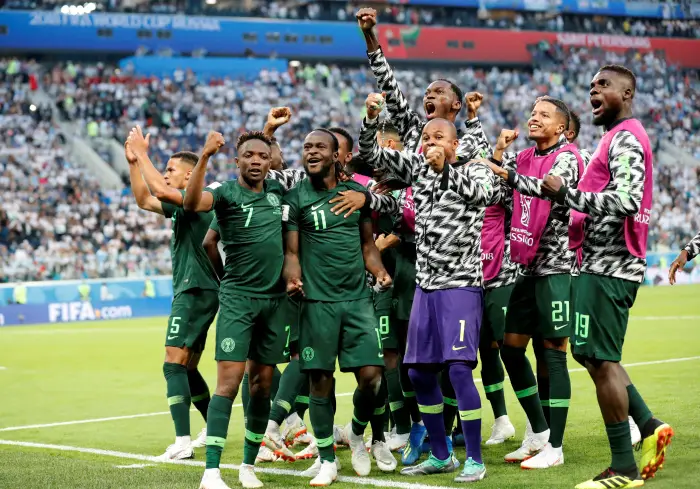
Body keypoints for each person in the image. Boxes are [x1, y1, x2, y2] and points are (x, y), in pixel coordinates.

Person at [540, 64, 673, 489]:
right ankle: (649, 425)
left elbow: (628, 200)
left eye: (604, 85)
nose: (593, 90)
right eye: (591, 85)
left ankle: (623, 468)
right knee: (591, 355)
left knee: (601, 359)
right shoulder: (612, 137)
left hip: (610, 266)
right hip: (597, 264)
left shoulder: (627, 136)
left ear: (627, 93)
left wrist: (569, 194)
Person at [360, 97, 497, 482]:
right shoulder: (417, 169)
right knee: (418, 372)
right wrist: (371, 121)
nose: (430, 141)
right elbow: (373, 153)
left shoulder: (475, 170)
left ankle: (474, 458)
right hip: (426, 287)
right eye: (425, 136)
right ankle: (440, 455)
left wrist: (446, 172)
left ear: (456, 145)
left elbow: (481, 196)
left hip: (461, 288)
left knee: (457, 370)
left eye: (439, 136)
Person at [282, 129, 394, 486]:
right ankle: (327, 458)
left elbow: (367, 246)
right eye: (306, 147)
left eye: (319, 147)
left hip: (358, 300)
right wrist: (293, 279)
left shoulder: (357, 195)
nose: (311, 152)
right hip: (317, 303)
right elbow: (292, 253)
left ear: (336, 156)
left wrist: (378, 269)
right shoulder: (295, 198)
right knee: (320, 380)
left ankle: (357, 432)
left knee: (372, 378)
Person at [184, 130, 291, 489]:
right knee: (228, 385)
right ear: (238, 161)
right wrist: (204, 156)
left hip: (274, 303)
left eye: (263, 155)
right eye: (249, 156)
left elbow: (209, 240)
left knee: (261, 386)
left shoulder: (278, 194)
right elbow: (191, 206)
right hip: (238, 301)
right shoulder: (227, 193)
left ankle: (248, 465)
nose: (257, 161)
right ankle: (211, 472)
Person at [485, 97, 583, 469]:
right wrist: (493, 160)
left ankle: (554, 448)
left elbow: (547, 188)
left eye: (544, 114)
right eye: (532, 112)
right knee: (510, 347)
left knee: (553, 351)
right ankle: (538, 433)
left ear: (561, 127)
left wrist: (504, 173)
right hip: (524, 267)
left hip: (557, 268)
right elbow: (497, 191)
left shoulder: (569, 156)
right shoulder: (522, 156)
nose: (533, 117)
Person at [124, 129, 217, 462]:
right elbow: (144, 200)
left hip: (193, 288)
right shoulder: (185, 206)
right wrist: (135, 163)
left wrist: (143, 153)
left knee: (172, 363)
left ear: (190, 175)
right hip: (201, 289)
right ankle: (211, 428)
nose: (164, 174)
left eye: (171, 169)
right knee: (188, 367)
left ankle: (182, 441)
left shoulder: (198, 200)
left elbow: (158, 189)